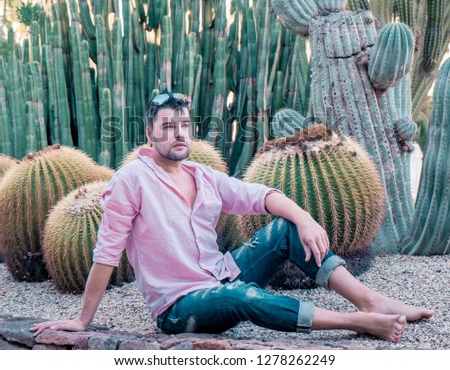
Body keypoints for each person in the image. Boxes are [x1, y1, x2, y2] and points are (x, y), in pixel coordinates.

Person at [31, 92, 433, 343]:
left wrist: (306, 219)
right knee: (242, 296)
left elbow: (258, 195)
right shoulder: (131, 180)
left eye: (184, 125)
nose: (179, 134)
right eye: (168, 127)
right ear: (150, 133)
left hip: (220, 273)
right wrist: (83, 320)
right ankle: (358, 321)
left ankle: (370, 299)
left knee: (284, 228)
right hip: (180, 306)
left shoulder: (200, 174)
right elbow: (106, 253)